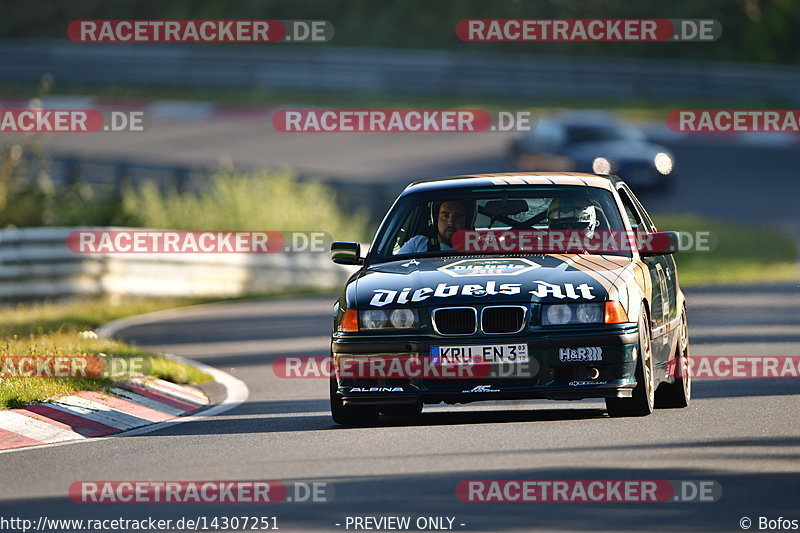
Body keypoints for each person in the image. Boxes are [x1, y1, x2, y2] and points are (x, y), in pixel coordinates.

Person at [397, 200, 471, 254]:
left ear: (467, 221)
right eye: (445, 216)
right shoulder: (417, 244)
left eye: (458, 216)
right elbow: (396, 269)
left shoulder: (479, 247)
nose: (450, 222)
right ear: (435, 219)